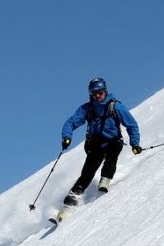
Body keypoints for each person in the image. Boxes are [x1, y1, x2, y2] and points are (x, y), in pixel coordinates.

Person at [57, 77, 141, 217]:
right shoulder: (88, 109)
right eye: (94, 94)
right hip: (95, 144)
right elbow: (70, 122)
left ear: (105, 92)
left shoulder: (115, 106)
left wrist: (135, 143)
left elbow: (131, 125)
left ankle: (105, 179)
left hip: (114, 141)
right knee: (88, 171)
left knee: (112, 155)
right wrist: (67, 137)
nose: (97, 96)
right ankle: (70, 203)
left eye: (100, 93)